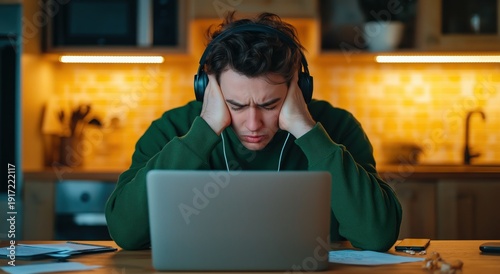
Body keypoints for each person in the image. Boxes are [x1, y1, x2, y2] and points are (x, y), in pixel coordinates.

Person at [105, 12, 402, 251]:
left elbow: (376, 236)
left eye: (269, 104)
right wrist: (205, 129)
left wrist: (306, 131)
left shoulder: (336, 128)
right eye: (235, 105)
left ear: (299, 88)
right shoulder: (173, 129)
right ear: (207, 88)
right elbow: (126, 233)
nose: (253, 124)